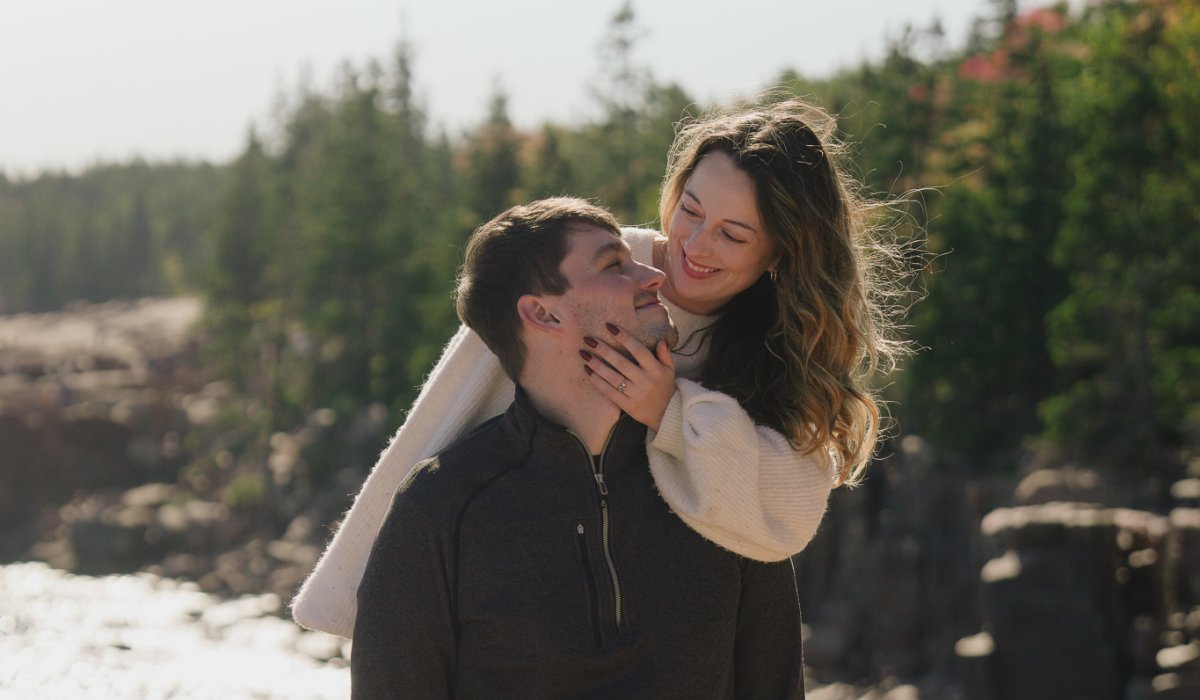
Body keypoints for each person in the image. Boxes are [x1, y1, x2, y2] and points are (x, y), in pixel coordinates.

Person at [292, 97, 908, 637]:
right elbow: (443, 423)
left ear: (782, 252)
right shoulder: (586, 276)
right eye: (690, 210)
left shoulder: (784, 344)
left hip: (667, 634)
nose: (694, 246)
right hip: (515, 601)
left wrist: (670, 411)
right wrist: (365, 606)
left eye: (733, 235)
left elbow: (790, 510)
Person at [351, 198, 804, 697]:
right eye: (615, 265)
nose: (654, 276)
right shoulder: (438, 507)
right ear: (542, 313)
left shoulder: (718, 473)